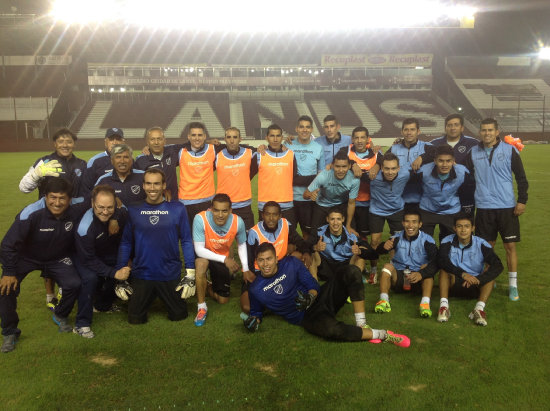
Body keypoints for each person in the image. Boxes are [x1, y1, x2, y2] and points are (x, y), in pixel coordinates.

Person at [244, 243, 410, 347]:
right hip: (306, 318)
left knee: (351, 271)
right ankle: (382, 334)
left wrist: (310, 296)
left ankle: (362, 324)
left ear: (276, 258)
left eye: (269, 259)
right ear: (257, 262)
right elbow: (256, 312)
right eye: (262, 260)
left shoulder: (291, 263)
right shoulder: (256, 289)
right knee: (332, 330)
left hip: (320, 298)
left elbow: (313, 284)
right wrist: (253, 321)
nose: (266, 264)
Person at [0, 178, 88, 353]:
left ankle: (60, 314)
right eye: (52, 197)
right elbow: (8, 245)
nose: (57, 202)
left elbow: (95, 197)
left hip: (58, 258)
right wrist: (9, 272)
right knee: (6, 289)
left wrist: (116, 204)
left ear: (70, 199)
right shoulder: (30, 213)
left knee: (74, 284)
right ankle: (10, 331)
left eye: (62, 198)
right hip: (27, 258)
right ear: (45, 197)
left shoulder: (75, 208)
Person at [116, 169, 195, 324]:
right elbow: (126, 242)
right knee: (135, 319)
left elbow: (186, 240)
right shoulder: (133, 210)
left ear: (163, 185)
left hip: (169, 273)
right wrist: (120, 275)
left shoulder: (177, 209)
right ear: (143, 185)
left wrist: (190, 272)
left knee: (179, 315)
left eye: (157, 184)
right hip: (142, 274)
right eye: (149, 184)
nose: (152, 188)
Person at [465, 118, 528, 301]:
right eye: (483, 130)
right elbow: (467, 179)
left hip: (507, 207)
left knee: (510, 247)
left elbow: (521, 178)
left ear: (497, 131)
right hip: (484, 208)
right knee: (486, 249)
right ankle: (486, 280)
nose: (487, 133)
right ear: (479, 132)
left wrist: (522, 200)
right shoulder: (473, 152)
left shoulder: (510, 150)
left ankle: (513, 286)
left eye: (490, 130)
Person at [73, 185, 130, 338]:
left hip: (104, 253)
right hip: (84, 257)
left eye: (109, 207)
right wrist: (114, 273)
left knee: (123, 266)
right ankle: (81, 324)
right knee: (90, 278)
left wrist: (115, 218)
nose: (105, 212)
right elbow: (88, 260)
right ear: (93, 203)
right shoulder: (85, 228)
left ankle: (102, 306)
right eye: (101, 207)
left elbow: (122, 210)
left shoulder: (119, 211)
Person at [191, 193, 251, 326]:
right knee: (200, 264)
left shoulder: (238, 222)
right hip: (205, 255)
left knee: (223, 300)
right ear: (211, 209)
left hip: (222, 259)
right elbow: (199, 250)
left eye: (224, 211)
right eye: (216, 210)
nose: (220, 215)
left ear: (230, 210)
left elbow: (241, 244)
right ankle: (201, 307)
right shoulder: (200, 219)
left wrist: (245, 268)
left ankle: (206, 287)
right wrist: (225, 259)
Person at [243, 201, 313, 313]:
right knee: (247, 307)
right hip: (260, 271)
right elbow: (249, 258)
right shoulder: (254, 233)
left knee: (299, 256)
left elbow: (300, 241)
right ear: (262, 215)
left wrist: (306, 252)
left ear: (280, 216)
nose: (271, 218)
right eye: (267, 214)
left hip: (280, 266)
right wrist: (248, 273)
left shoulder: (285, 224)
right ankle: (278, 304)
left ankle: (306, 287)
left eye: (275, 214)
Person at [437, 214, 503, 325]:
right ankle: (443, 307)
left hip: (475, 284)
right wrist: (463, 274)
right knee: (444, 271)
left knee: (490, 276)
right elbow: (442, 261)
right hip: (454, 283)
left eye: (467, 226)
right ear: (454, 228)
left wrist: (479, 279)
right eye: (459, 226)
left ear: (473, 228)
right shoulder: (446, 241)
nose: (463, 230)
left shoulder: (482, 244)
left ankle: (479, 310)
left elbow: (498, 265)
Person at [374, 208, 438, 318]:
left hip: (417, 278)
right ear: (403, 223)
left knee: (427, 269)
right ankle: (384, 300)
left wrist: (421, 273)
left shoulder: (427, 240)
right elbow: (378, 252)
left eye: (414, 222)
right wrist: (383, 247)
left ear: (420, 224)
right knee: (387, 266)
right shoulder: (396, 238)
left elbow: (436, 262)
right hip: (399, 276)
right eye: (407, 221)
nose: (410, 225)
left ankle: (425, 303)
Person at [337, 126, 381, 282]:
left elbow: (383, 162)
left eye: (363, 137)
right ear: (352, 139)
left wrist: (377, 166)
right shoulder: (345, 151)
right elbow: (338, 161)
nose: (359, 140)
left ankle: (373, 269)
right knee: (351, 236)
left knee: (367, 239)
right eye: (356, 137)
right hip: (349, 202)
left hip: (368, 203)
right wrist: (351, 163)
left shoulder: (376, 154)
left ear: (368, 139)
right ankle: (356, 268)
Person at [369, 118, 430, 207]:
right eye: (406, 130)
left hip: (421, 198)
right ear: (402, 132)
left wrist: (422, 157)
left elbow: (438, 154)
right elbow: (383, 161)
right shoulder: (394, 148)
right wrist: (377, 165)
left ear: (418, 131)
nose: (409, 133)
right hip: (399, 199)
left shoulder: (426, 147)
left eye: (412, 129)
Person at [417, 145, 472, 242]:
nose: (444, 165)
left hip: (451, 211)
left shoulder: (462, 172)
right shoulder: (423, 171)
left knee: (449, 245)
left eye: (448, 161)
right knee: (423, 243)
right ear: (435, 161)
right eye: (441, 161)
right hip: (428, 210)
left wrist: (466, 213)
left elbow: (468, 193)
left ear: (453, 161)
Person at [368, 152, 412, 272]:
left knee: (396, 241)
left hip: (397, 211)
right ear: (381, 168)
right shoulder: (373, 176)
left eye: (393, 168)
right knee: (374, 241)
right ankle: (373, 270)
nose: (390, 172)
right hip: (377, 211)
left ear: (399, 168)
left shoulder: (405, 174)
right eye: (386, 168)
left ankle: (393, 268)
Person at [284, 116, 325, 239]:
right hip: (289, 199)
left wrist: (315, 190)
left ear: (312, 129)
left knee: (308, 234)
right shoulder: (288, 145)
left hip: (308, 199)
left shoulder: (318, 148)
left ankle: (307, 257)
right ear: (296, 129)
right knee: (288, 234)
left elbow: (321, 174)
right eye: (301, 127)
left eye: (307, 127)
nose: (304, 130)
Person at [19, 127, 86, 199]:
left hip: (75, 209)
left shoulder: (82, 164)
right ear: (55, 144)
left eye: (69, 142)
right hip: (49, 209)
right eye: (60, 142)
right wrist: (36, 175)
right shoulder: (44, 162)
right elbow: (23, 188)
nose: (65, 145)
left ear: (74, 144)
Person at [304, 151, 359, 235]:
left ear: (349, 166)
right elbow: (305, 194)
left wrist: (348, 225)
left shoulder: (354, 180)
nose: (340, 170)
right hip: (322, 205)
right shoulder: (323, 176)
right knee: (314, 235)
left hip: (342, 205)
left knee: (351, 233)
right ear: (332, 165)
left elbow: (351, 203)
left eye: (344, 166)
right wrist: (311, 195)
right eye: (337, 166)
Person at [215, 127, 258, 230]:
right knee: (222, 244)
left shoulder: (250, 153)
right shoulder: (217, 156)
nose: (232, 140)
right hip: (223, 206)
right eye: (229, 137)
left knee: (249, 242)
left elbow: (269, 151)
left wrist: (285, 145)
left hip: (244, 207)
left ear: (240, 139)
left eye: (235, 137)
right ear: (224, 139)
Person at [257, 124, 298, 224]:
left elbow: (294, 177)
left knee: (288, 237)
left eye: (278, 136)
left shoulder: (290, 155)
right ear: (266, 138)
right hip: (265, 206)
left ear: (282, 137)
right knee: (266, 237)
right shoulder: (259, 155)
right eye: (272, 136)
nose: (275, 139)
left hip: (286, 205)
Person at [178, 122, 217, 226]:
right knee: (188, 236)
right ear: (188, 137)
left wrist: (260, 147)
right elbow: (161, 151)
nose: (197, 138)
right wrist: (147, 149)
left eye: (200, 135)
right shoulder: (180, 151)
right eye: (194, 135)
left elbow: (234, 146)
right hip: (186, 202)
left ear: (204, 136)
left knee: (206, 235)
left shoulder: (212, 149)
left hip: (207, 201)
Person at [134, 126, 181, 201]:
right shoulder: (141, 160)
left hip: (173, 202)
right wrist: (161, 192)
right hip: (152, 204)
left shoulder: (173, 151)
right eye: (152, 139)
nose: (156, 142)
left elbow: (192, 145)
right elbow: (136, 184)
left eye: (159, 139)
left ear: (164, 141)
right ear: (147, 142)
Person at [79, 128, 125, 196]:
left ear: (123, 142)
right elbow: (86, 189)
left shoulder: (129, 160)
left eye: (118, 139)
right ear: (105, 141)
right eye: (111, 139)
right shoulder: (94, 161)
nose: (115, 142)